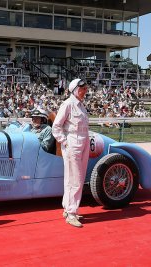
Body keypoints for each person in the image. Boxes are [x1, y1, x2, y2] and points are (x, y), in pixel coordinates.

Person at [52, 78, 89, 228]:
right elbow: (56, 126)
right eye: (82, 88)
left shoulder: (81, 105)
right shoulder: (68, 104)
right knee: (76, 179)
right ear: (74, 89)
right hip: (73, 142)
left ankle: (68, 208)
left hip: (82, 141)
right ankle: (72, 213)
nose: (85, 90)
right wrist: (65, 141)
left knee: (72, 178)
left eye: (85, 88)